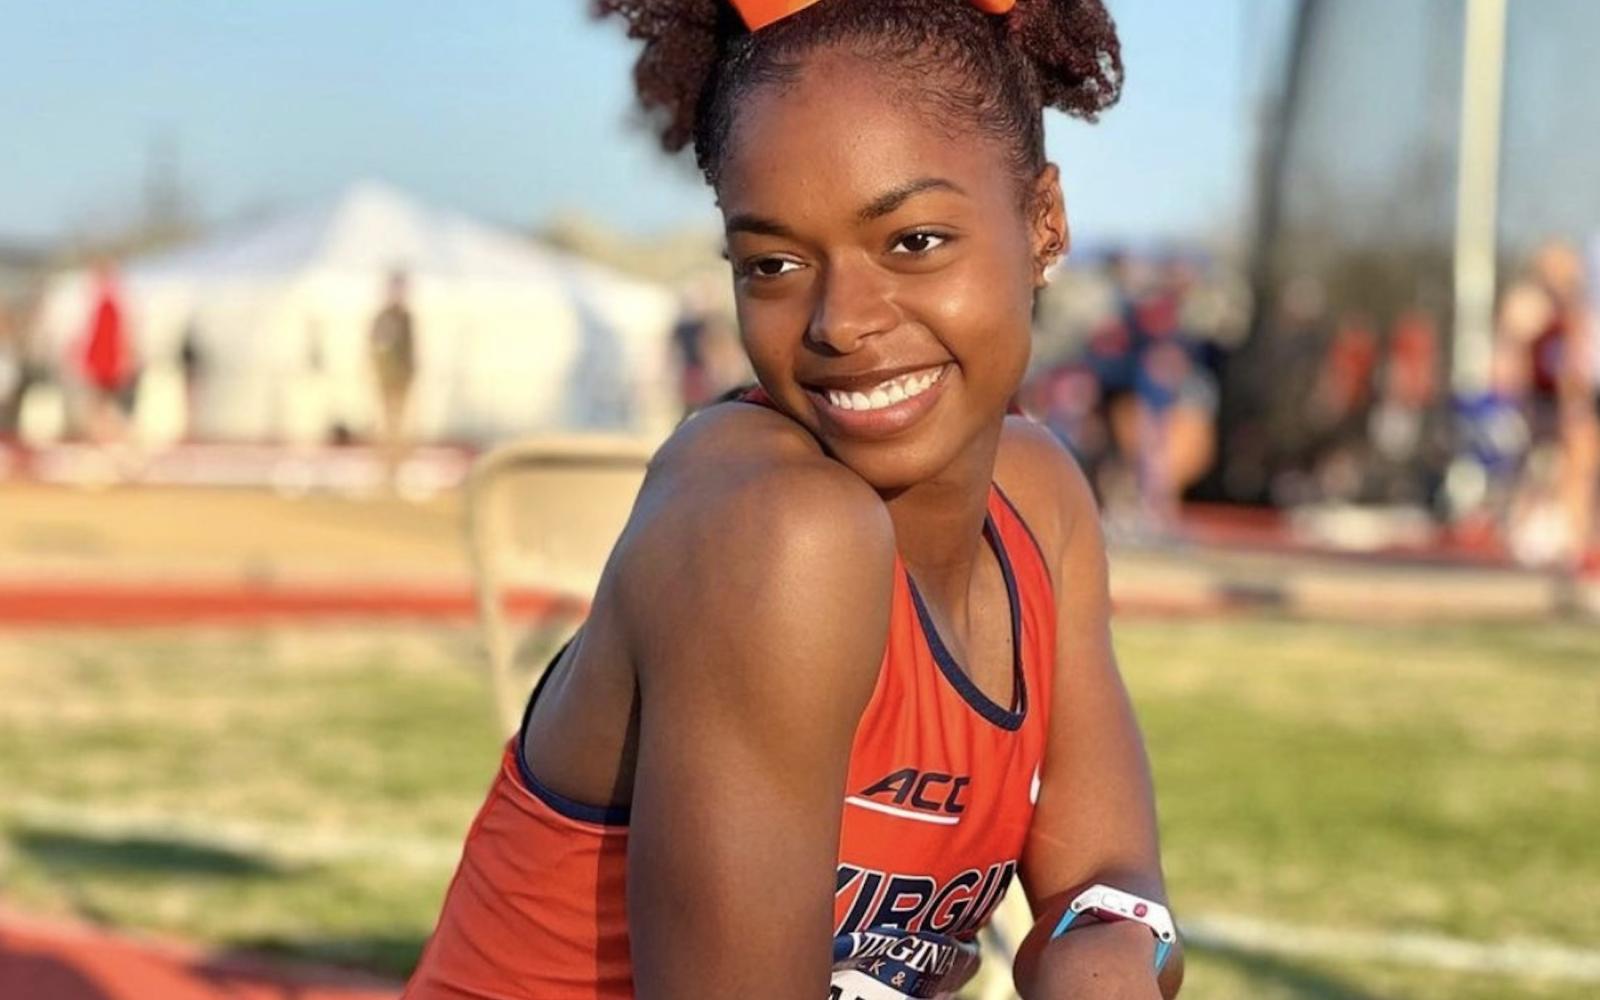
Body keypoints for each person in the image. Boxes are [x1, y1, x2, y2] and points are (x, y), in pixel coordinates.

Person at [405, 1, 1181, 998]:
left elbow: (1107, 878)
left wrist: (1108, 950)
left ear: (1044, 225)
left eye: (913, 241)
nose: (841, 322)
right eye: (772, 264)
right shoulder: (776, 532)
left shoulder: (1040, 500)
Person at [369, 269, 417, 482]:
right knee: (389, 422)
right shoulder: (384, 316)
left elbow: (411, 349)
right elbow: (378, 347)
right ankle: (388, 465)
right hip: (388, 377)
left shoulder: (406, 317)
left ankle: (397, 464)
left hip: (403, 377)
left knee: (401, 422)